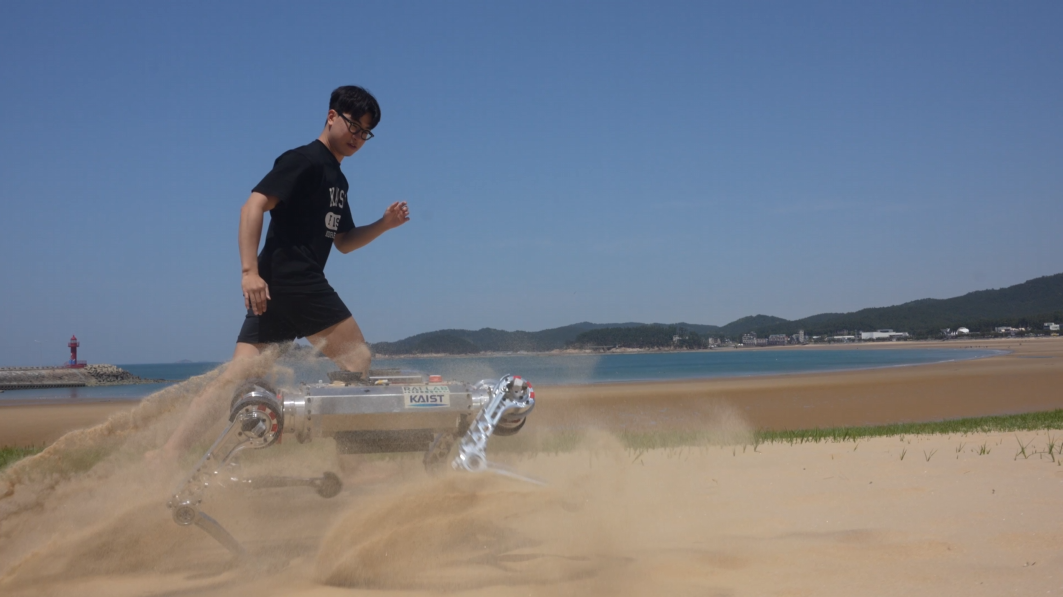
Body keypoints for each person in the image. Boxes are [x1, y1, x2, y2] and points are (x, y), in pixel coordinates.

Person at [153, 85, 408, 462]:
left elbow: (345, 241)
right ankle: (352, 463)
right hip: (295, 279)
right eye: (353, 126)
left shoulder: (338, 180)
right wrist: (248, 271)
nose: (357, 137)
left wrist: (384, 225)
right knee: (357, 360)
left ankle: (167, 455)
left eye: (365, 133)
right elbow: (252, 206)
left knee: (237, 380)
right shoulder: (304, 160)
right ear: (332, 116)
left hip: (275, 289)